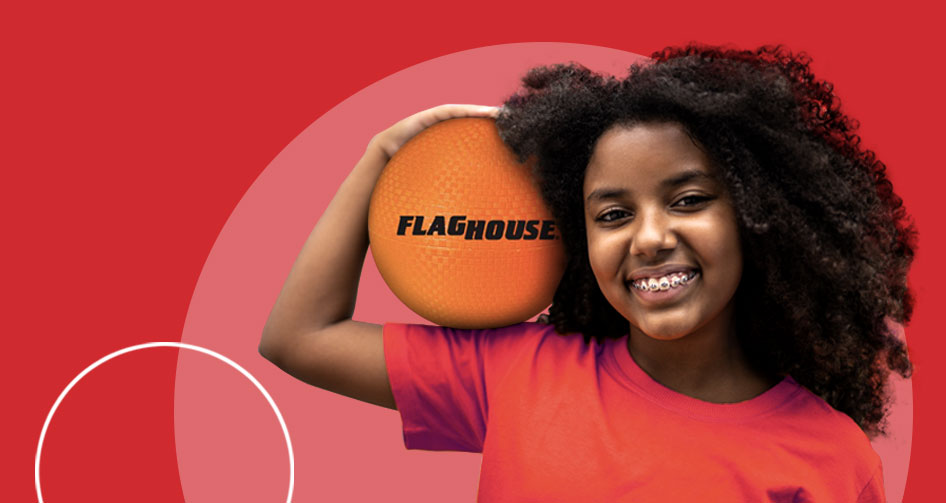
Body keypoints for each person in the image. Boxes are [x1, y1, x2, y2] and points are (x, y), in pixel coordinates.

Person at [259, 45, 915, 502]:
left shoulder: (831, 458)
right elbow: (298, 335)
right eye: (612, 213)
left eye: (688, 200)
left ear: (757, 213)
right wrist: (382, 154)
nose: (650, 237)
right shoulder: (519, 373)